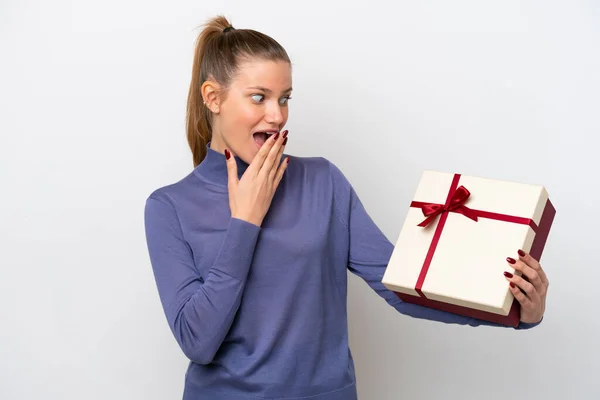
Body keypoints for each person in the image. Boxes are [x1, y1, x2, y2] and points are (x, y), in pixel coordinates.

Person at [143, 15, 550, 400]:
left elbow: (401, 287)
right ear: (213, 98)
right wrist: (244, 222)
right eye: (258, 97)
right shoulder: (169, 207)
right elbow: (197, 341)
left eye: (284, 99)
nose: (277, 115)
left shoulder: (322, 181)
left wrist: (513, 310)